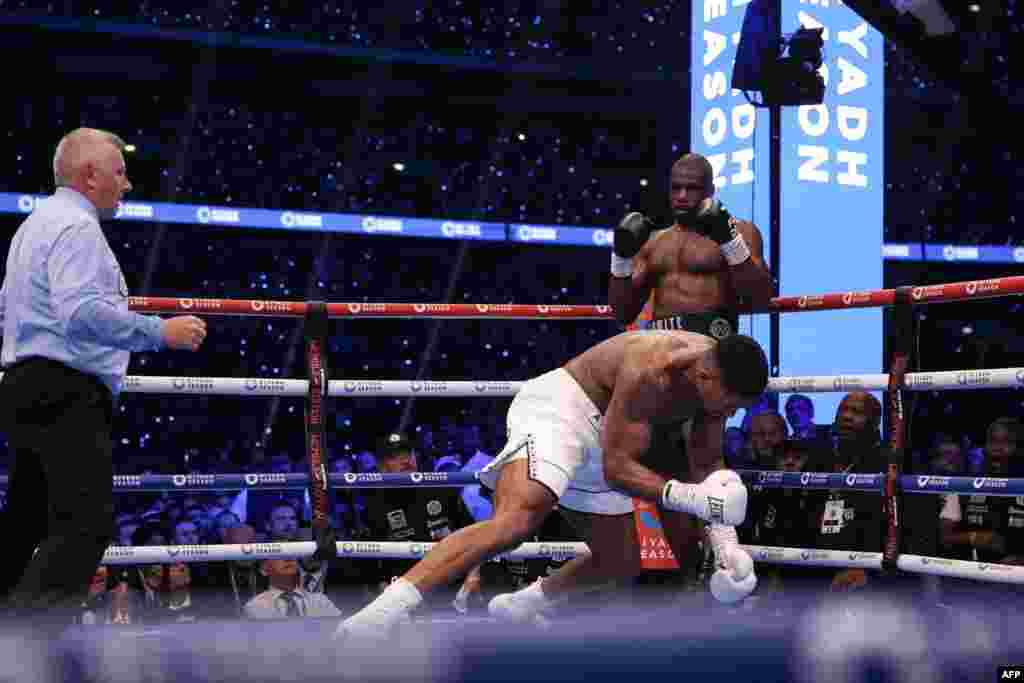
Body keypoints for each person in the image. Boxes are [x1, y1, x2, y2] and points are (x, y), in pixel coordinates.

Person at [337, 330, 768, 640]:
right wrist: (689, 497)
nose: (731, 414)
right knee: (517, 521)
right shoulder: (652, 368)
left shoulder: (715, 386)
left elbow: (708, 465)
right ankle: (376, 617)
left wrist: (726, 543)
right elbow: (620, 469)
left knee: (620, 558)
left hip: (611, 431)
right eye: (730, 404)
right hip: (563, 410)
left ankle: (520, 604)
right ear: (708, 376)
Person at [0, 128, 207, 619]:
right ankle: (25, 649)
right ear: (89, 176)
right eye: (120, 172)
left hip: (30, 384)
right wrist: (161, 332)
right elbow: (82, 314)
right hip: (64, 390)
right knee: (84, 526)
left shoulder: (35, 224)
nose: (127, 184)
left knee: (26, 524)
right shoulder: (76, 227)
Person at [606, 153, 774, 581]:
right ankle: (693, 574)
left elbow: (759, 298)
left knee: (705, 461)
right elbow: (622, 310)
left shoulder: (740, 231)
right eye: (676, 187)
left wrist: (729, 241)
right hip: (662, 365)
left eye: (692, 188)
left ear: (710, 190)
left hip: (711, 364)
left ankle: (728, 559)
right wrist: (621, 258)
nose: (682, 196)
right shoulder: (655, 241)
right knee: (667, 474)